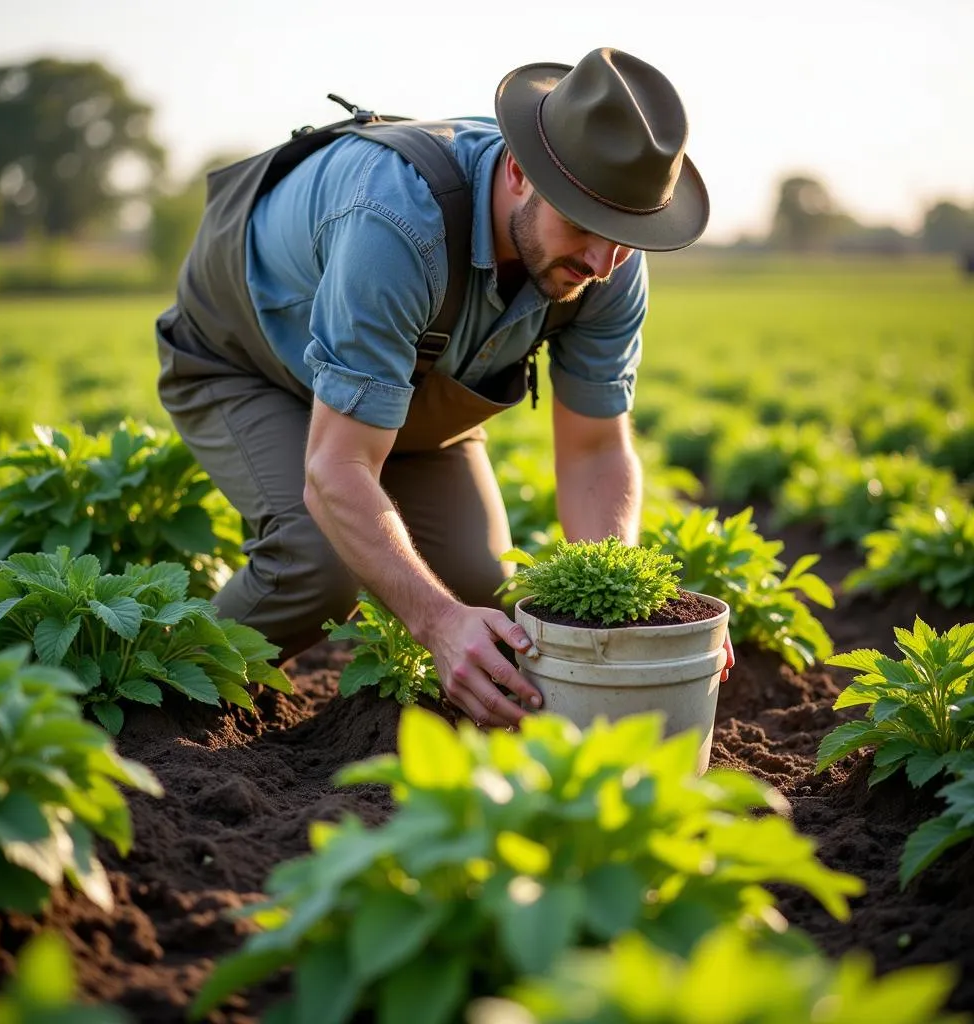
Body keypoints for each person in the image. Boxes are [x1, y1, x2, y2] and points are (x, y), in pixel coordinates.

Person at [154, 46, 734, 730]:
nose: (603, 262)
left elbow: (596, 452)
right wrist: (435, 623)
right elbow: (335, 471)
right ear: (519, 173)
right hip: (248, 360)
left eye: (625, 239)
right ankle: (145, 703)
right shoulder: (395, 224)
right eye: (583, 226)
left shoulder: (607, 261)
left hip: (414, 391)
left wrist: (628, 620)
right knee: (314, 564)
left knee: (481, 587)